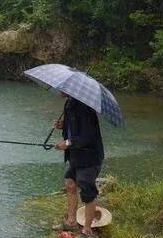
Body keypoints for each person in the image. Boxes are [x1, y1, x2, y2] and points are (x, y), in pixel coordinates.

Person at [52, 91, 104, 238]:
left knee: (88, 191)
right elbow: (75, 128)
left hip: (89, 156)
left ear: (71, 89)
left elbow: (87, 136)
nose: (59, 90)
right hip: (76, 156)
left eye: (62, 88)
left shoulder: (85, 107)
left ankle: (87, 231)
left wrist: (67, 143)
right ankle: (71, 222)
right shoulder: (69, 103)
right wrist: (63, 125)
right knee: (70, 183)